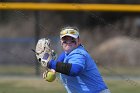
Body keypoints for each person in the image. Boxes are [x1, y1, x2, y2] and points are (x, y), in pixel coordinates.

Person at [46, 26, 111, 93]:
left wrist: (49, 63)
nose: (68, 42)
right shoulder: (68, 53)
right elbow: (61, 59)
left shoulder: (78, 53)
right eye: (65, 39)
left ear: (79, 41)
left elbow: (75, 70)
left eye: (72, 39)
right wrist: (53, 69)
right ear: (61, 42)